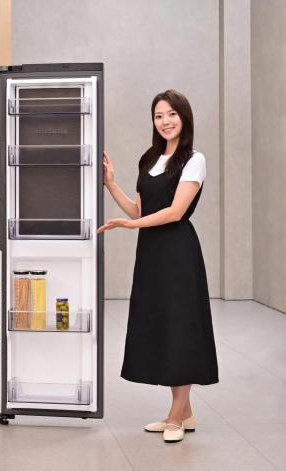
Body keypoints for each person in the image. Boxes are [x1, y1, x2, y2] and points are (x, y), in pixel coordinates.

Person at [99, 89, 218, 443]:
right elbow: (140, 211)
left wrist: (130, 227)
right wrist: (111, 184)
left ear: (184, 117)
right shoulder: (150, 158)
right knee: (164, 326)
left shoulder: (194, 159)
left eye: (171, 115)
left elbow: (175, 212)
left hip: (178, 253)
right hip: (151, 253)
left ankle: (175, 416)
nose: (165, 122)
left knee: (180, 328)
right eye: (158, 116)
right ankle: (186, 411)